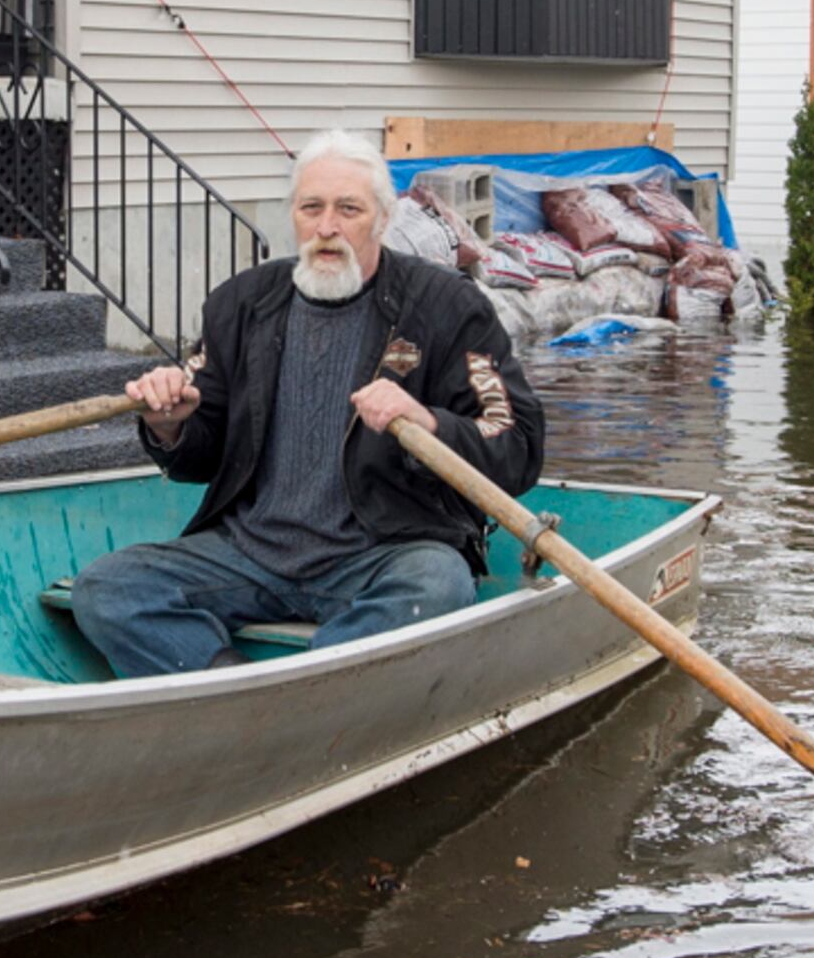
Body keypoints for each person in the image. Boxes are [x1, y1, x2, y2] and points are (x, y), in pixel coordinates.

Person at [70, 129, 544, 677]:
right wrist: (169, 426)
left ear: (384, 219)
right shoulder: (242, 303)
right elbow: (202, 456)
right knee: (107, 588)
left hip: (386, 552)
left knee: (437, 587)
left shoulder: (449, 306)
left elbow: (518, 446)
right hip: (249, 553)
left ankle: (303, 692)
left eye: (349, 209)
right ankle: (238, 688)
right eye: (311, 207)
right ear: (292, 214)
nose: (327, 228)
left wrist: (428, 424)